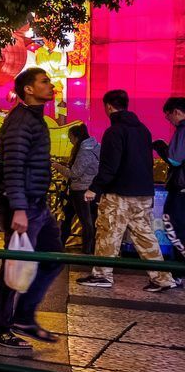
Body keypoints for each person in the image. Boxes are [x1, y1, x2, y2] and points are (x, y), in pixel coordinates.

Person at [0, 67, 64, 348]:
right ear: (28, 89)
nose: (50, 85)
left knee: (53, 257)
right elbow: (14, 166)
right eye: (44, 81)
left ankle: (23, 317)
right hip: (23, 206)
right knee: (15, 266)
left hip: (37, 205)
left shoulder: (35, 119)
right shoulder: (21, 121)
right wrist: (19, 208)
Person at [78, 90, 176, 291]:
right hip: (144, 193)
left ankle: (102, 275)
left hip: (120, 194)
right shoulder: (143, 130)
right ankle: (162, 278)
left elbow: (109, 166)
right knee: (145, 236)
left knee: (108, 233)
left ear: (109, 106)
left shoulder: (114, 131)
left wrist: (94, 188)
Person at [154, 96, 185, 289]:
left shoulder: (183, 129)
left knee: (172, 226)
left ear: (176, 112)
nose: (170, 122)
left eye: (168, 117)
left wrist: (161, 148)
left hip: (180, 190)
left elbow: (175, 159)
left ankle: (178, 272)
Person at [59, 124, 100, 255]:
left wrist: (57, 166)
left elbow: (75, 173)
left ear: (76, 137)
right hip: (89, 189)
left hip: (81, 190)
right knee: (68, 216)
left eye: (70, 138)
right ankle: (59, 245)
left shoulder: (84, 150)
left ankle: (87, 252)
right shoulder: (96, 147)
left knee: (86, 221)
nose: (70, 141)